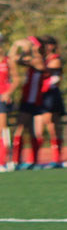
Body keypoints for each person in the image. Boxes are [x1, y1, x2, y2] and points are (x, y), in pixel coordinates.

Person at [8, 36, 46, 170]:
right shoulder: (31, 60)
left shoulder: (38, 60)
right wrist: (15, 45)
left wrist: (22, 47)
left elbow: (17, 58)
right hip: (27, 101)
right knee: (24, 131)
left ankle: (26, 161)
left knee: (27, 131)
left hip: (34, 102)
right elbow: (12, 59)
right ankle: (20, 161)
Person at [35, 35, 66, 168]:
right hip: (40, 95)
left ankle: (56, 159)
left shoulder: (54, 59)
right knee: (38, 129)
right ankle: (35, 160)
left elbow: (52, 77)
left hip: (50, 95)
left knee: (52, 126)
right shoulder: (42, 59)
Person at [0, 33, 21, 171]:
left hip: (2, 97)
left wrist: (9, 92)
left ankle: (4, 160)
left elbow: (17, 79)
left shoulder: (7, 60)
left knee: (2, 129)